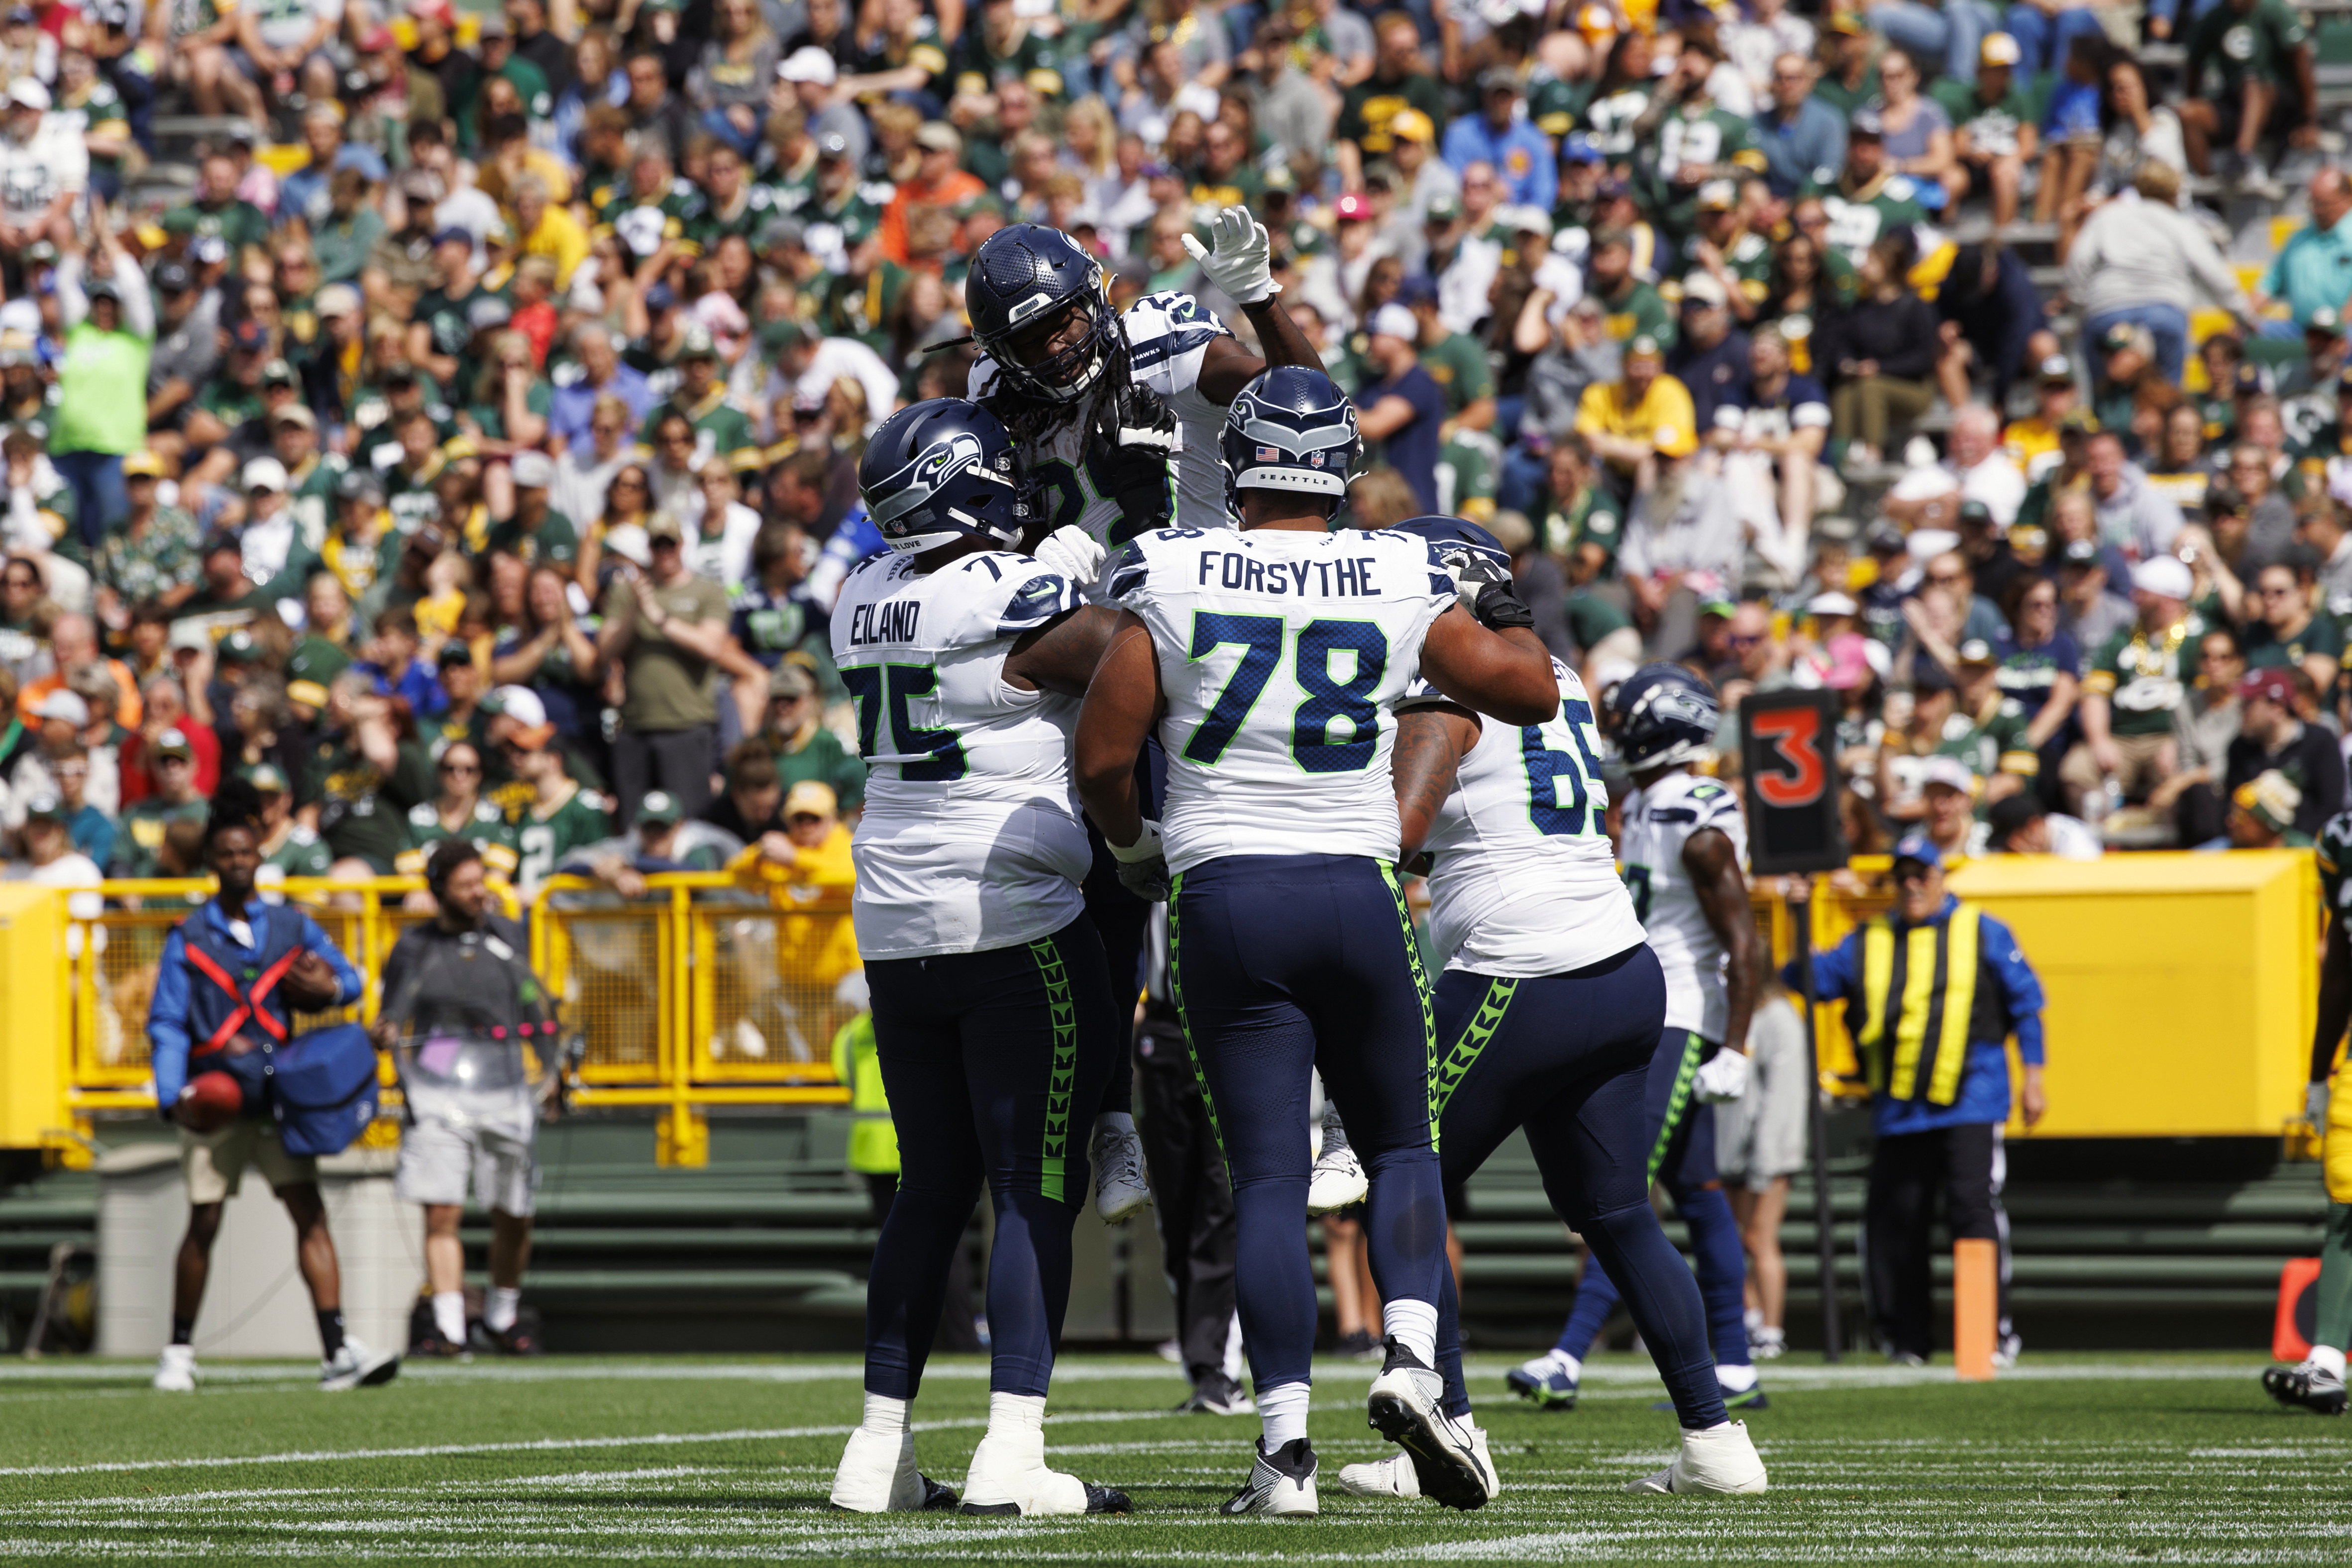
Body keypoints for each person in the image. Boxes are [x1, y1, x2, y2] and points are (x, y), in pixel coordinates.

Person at [1073, 367, 1559, 1515]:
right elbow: (1526, 689)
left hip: (1225, 898)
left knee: (1270, 1179)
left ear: (1240, 463)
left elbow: (1101, 757)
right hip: (1352, 889)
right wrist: (1498, 600)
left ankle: (1282, 1459)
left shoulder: (1171, 566)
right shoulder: (1398, 565)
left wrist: (1138, 847)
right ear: (1342, 465)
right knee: (1397, 1147)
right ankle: (1408, 1361)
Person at [1338, 614, 1766, 1502]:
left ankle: (1446, 1433)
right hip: (1621, 967)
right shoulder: (1557, 673)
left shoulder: (1451, 682)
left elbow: (1399, 827)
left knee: (1400, 1169)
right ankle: (1716, 1443)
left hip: (1520, 964)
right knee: (1618, 1213)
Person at [824, 399, 1130, 1518]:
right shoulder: (1005, 591)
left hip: (897, 927)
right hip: (1009, 918)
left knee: (928, 1192)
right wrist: (1086, 561)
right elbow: (1123, 654)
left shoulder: (854, 595)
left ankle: (876, 1450)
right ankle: (1013, 1446)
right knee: (1031, 1188)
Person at [1506, 661, 1765, 1418]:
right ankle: (1739, 1363)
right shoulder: (1653, 800)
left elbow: (1746, 945)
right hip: (1658, 1006)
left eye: (1627, 721)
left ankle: (1568, 1353)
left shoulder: (1698, 821)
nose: (1617, 732)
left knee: (1618, 1193)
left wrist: (1736, 1044)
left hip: (1681, 1012)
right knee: (1699, 1192)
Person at [144, 779, 399, 1393]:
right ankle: (178, 1351)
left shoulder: (291, 926)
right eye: (227, 854)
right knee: (204, 1220)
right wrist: (170, 1094)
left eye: (247, 852)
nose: (238, 862)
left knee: (308, 1213)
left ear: (261, 856)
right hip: (218, 1093)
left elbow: (350, 980)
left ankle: (338, 1348)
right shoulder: (188, 937)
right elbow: (168, 1022)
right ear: (211, 861)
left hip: (280, 1091)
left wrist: (330, 991)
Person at [1790, 833, 2046, 1364]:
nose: (1911, 885)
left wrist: (2035, 1076)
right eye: (1901, 875)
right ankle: (1905, 1340)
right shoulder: (1868, 939)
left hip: (1971, 1100)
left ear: (1940, 877)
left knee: (1972, 1211)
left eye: (1920, 874)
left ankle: (1987, 1335)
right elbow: (1808, 981)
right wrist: (1795, 921)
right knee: (1894, 1223)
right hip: (1898, 1111)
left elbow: (2026, 1003)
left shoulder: (1982, 930)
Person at [373, 838, 554, 1358]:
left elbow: (530, 1002)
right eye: (467, 885)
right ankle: (451, 1327)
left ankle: (502, 1314)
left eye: (482, 881)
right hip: (436, 1088)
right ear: (439, 891)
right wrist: (384, 1040)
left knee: (514, 1211)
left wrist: (552, 1067)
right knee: (443, 1212)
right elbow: (394, 1015)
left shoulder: (507, 935)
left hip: (504, 1084)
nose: (480, 893)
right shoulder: (413, 947)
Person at [2267, 802, 2352, 1413]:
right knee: (2346, 1199)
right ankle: (2326, 1361)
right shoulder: (2339, 839)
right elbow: (2341, 968)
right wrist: (2318, 1075)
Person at [597, 513, 733, 826]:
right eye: (657, 545)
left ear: (682, 545)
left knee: (691, 823)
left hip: (687, 725)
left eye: (669, 544)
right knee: (634, 825)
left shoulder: (706, 591)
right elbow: (605, 652)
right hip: (635, 727)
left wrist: (659, 618)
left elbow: (712, 646)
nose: (664, 552)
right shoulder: (627, 592)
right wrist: (635, 610)